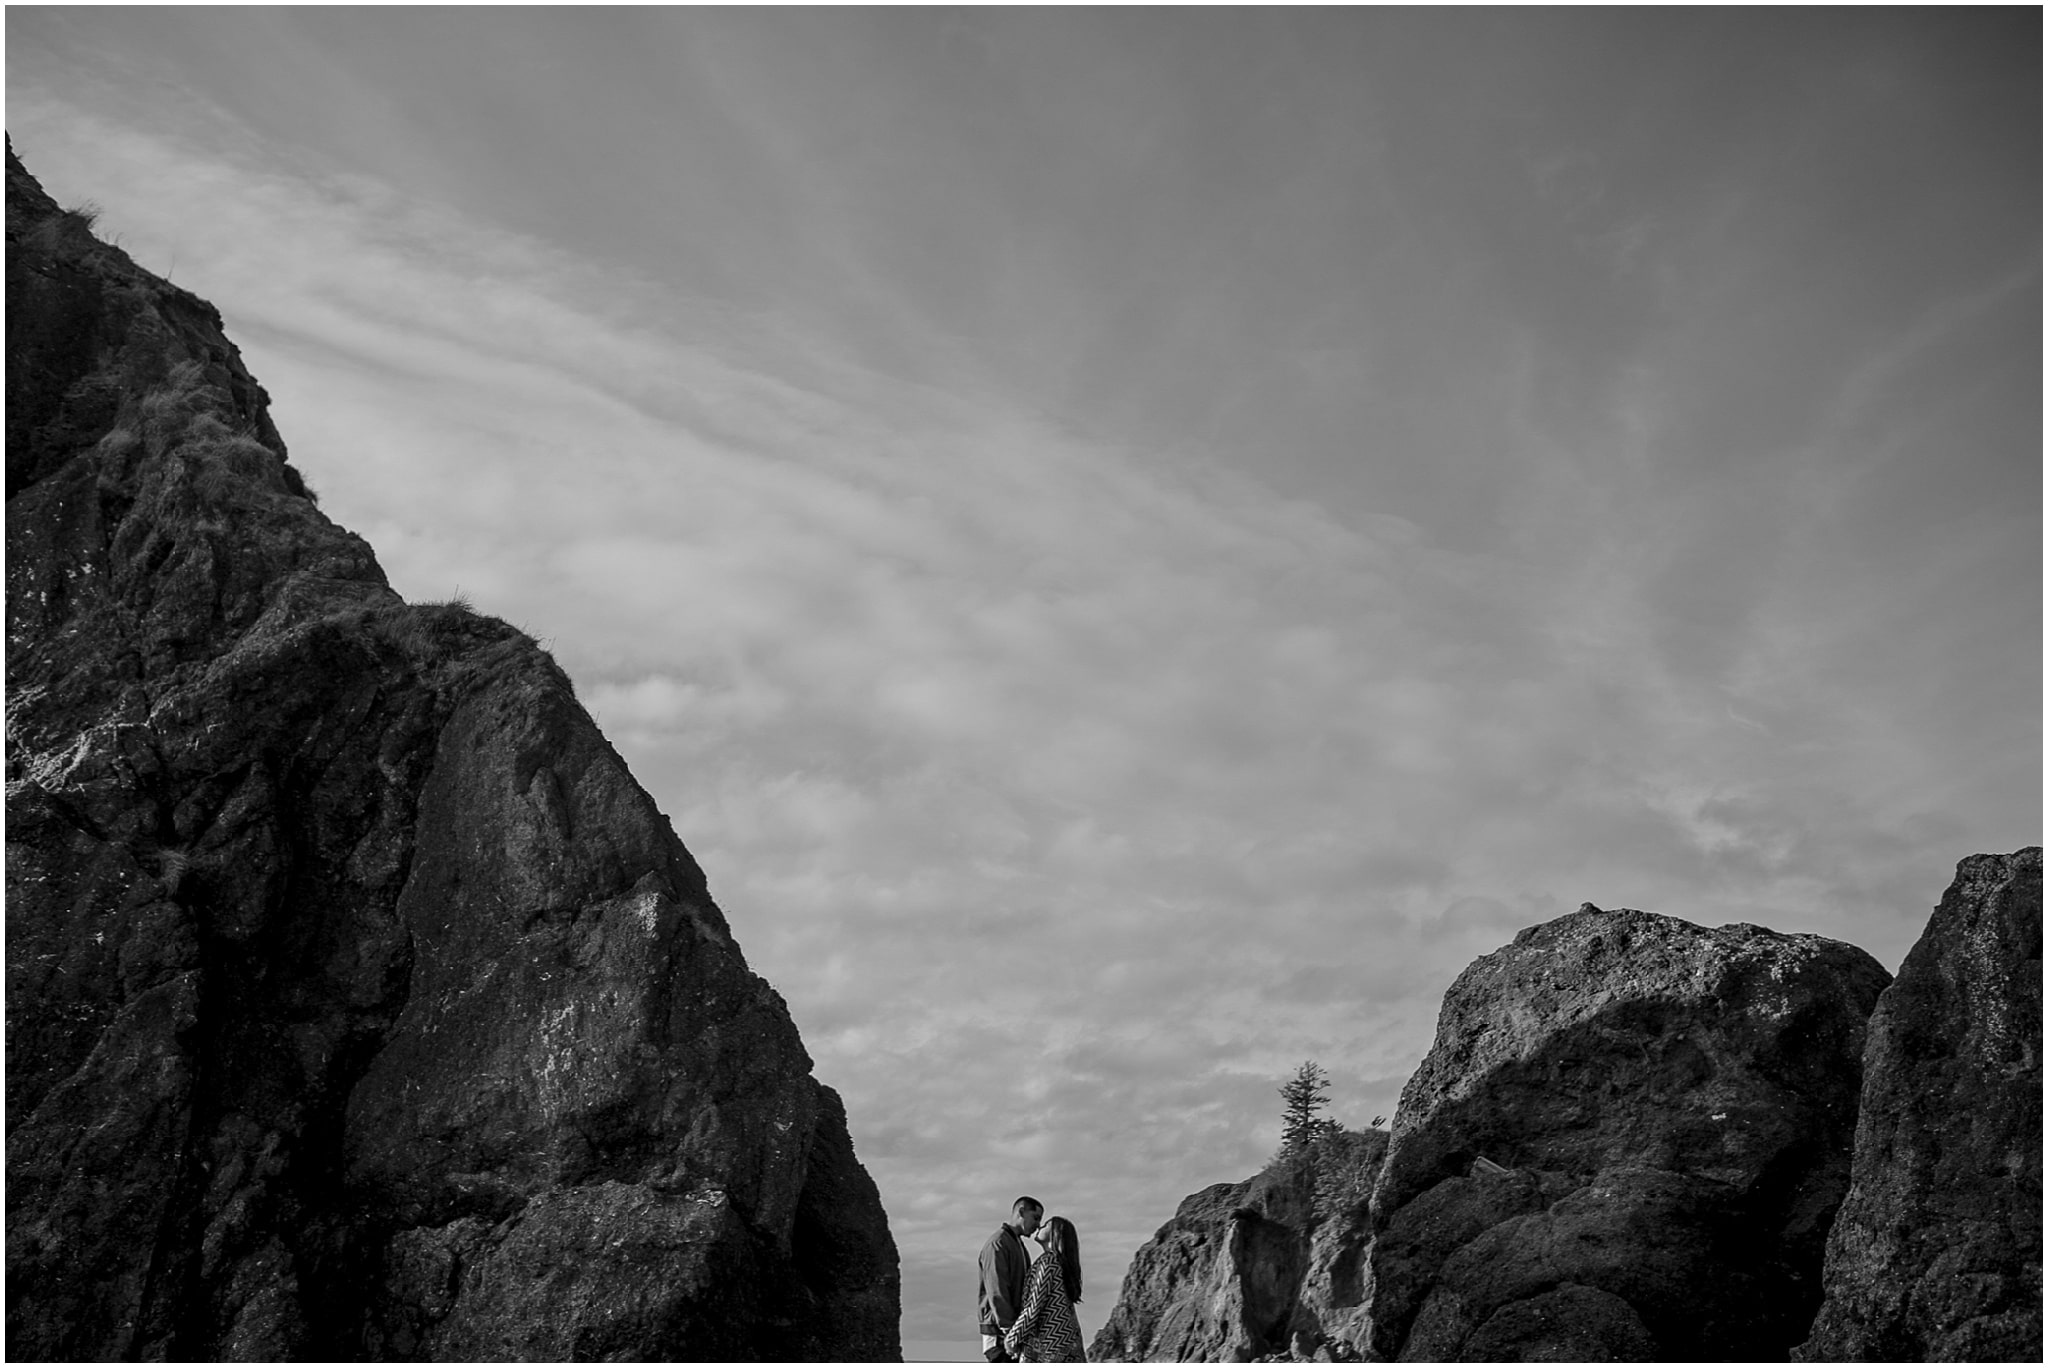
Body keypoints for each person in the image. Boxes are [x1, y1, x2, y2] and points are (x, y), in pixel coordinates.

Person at [1003, 1215, 1086, 1363]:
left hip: (1050, 1349)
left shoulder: (1049, 1262)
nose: (1040, 1226)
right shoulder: (1061, 1264)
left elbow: (1034, 1306)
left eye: (1046, 1224)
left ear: (1056, 1233)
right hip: (1067, 1345)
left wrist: (1012, 1338)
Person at [978, 1196, 1043, 1362]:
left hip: (1014, 1332)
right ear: (1021, 1212)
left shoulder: (1018, 1245)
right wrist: (1009, 1330)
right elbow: (997, 1290)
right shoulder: (998, 1243)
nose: (1038, 1225)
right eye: (1035, 1218)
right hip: (1000, 1335)